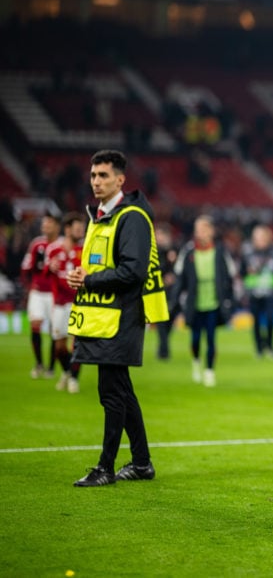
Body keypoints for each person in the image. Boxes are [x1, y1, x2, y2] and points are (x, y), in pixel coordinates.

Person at [67, 149, 170, 487]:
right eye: (94, 175)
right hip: (102, 317)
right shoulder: (101, 217)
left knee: (111, 394)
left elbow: (133, 271)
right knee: (121, 393)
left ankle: (105, 467)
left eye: (104, 176)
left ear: (120, 179)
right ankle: (141, 464)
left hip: (121, 317)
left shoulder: (132, 217)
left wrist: (90, 280)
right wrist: (82, 275)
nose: (96, 181)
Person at [171, 215, 237, 387]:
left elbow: (230, 277)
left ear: (211, 231)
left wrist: (230, 300)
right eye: (198, 229)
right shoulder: (188, 252)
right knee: (195, 338)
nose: (201, 233)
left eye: (204, 229)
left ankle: (209, 370)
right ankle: (196, 361)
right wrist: (175, 300)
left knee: (211, 338)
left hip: (214, 301)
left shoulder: (221, 251)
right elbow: (180, 278)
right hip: (194, 302)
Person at [45, 211, 86, 393]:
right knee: (60, 347)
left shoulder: (84, 251)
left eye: (82, 229)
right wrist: (49, 267)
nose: (81, 232)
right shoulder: (54, 249)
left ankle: (74, 380)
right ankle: (68, 372)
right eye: (78, 229)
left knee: (76, 343)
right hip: (59, 304)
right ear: (68, 229)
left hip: (78, 303)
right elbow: (44, 272)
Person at [21, 213, 60, 378]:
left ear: (56, 226)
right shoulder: (37, 244)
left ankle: (51, 367)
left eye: (49, 223)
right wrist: (29, 287)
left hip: (54, 293)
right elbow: (26, 268)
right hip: (38, 292)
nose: (45, 227)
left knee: (54, 331)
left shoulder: (62, 245)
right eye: (44, 224)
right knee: (35, 326)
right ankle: (39, 364)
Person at [241, 224, 273, 360]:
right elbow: (242, 272)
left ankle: (270, 346)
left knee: (271, 319)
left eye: (260, 236)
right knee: (256, 321)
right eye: (256, 236)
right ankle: (259, 348)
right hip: (254, 292)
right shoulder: (248, 253)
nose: (258, 239)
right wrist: (247, 273)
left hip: (270, 292)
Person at [153, 223, 178, 361]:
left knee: (169, 321)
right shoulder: (153, 253)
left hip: (172, 292)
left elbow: (181, 270)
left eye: (161, 236)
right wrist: (162, 278)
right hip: (159, 291)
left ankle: (163, 346)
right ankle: (164, 351)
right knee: (162, 322)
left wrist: (173, 276)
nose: (159, 238)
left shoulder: (174, 251)